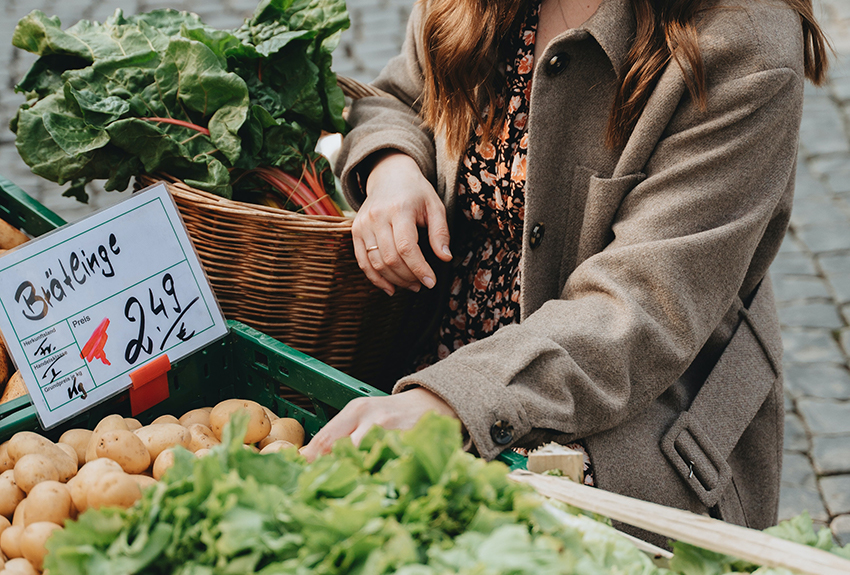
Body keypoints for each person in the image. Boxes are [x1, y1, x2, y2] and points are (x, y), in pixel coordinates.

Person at [301, 0, 830, 539]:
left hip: (624, 423)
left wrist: (452, 401)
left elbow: (641, 306)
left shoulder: (746, 41)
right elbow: (397, 98)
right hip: (423, 369)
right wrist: (393, 166)